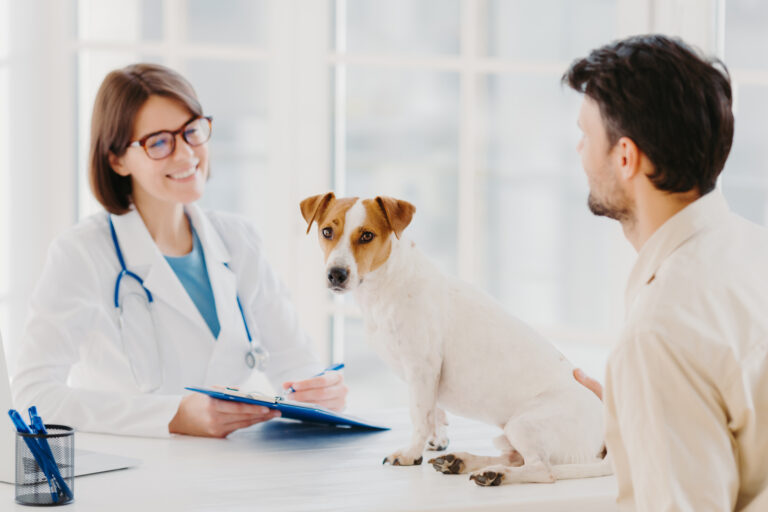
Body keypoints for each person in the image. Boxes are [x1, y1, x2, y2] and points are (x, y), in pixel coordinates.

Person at [11, 63, 347, 438]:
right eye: (158, 142)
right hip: (135, 480)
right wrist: (170, 416)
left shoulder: (238, 239)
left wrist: (321, 392)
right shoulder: (82, 253)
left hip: (240, 479)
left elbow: (296, 367)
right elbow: (32, 398)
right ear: (117, 159)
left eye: (192, 131)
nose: (186, 154)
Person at [564, 35, 768, 510]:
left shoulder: (658, 335)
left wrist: (651, 387)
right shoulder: (756, 249)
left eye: (586, 136)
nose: (578, 151)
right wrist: (642, 418)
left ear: (625, 157)